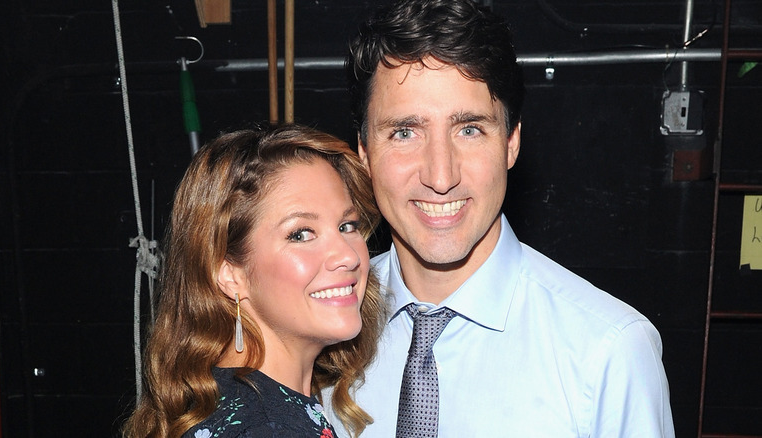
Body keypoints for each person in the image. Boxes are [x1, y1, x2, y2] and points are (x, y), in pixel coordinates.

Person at [323, 0, 676, 437]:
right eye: (405, 132)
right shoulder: (318, 324)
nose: (440, 175)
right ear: (363, 152)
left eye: (469, 129)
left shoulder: (608, 353)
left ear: (511, 143)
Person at [123, 124, 386, 438]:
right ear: (230, 274)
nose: (348, 255)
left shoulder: (236, 402)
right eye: (301, 234)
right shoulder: (264, 426)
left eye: (347, 226)